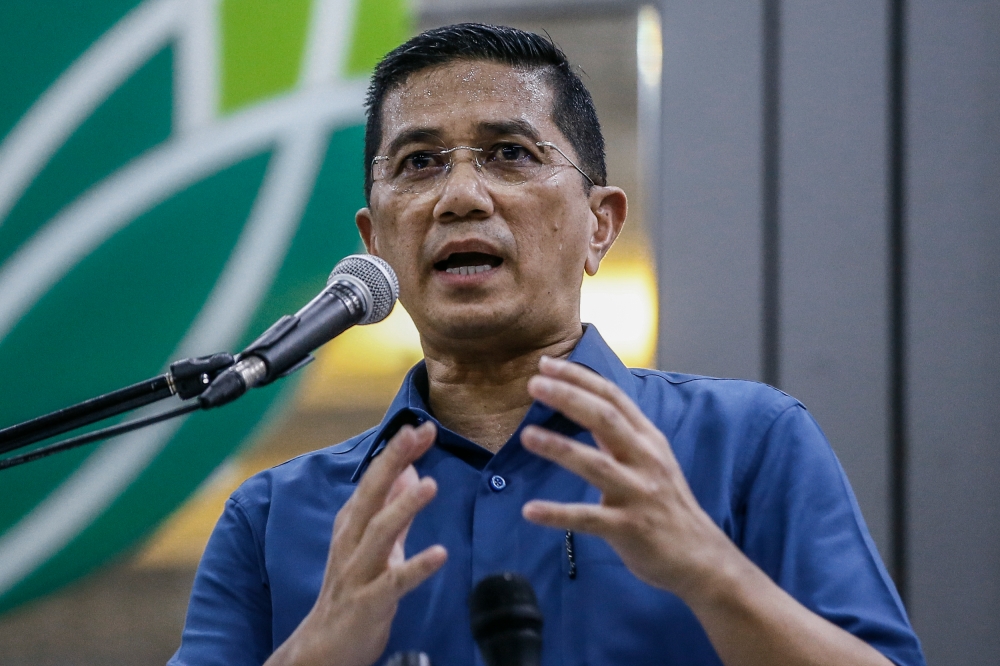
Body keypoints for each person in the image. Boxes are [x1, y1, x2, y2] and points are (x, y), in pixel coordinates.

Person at [170, 23, 924, 666]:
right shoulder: (272, 517)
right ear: (379, 243)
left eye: (510, 154)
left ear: (601, 224)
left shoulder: (750, 444)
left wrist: (713, 574)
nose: (460, 196)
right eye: (418, 163)